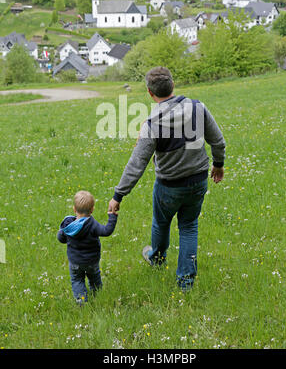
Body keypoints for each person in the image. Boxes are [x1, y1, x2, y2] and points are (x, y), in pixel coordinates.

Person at [108, 66, 225, 291]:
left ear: (150, 94)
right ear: (173, 85)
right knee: (189, 226)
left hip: (169, 186)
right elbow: (218, 141)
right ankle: (186, 282)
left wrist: (118, 195)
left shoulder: (152, 124)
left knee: (161, 223)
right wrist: (218, 165)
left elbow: (137, 164)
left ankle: (157, 258)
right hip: (199, 180)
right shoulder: (198, 108)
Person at [57, 190, 118, 304]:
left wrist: (62, 234)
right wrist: (112, 216)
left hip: (75, 261)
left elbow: (61, 239)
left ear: (74, 209)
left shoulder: (68, 226)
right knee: (94, 277)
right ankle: (97, 295)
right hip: (92, 261)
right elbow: (107, 231)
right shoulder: (92, 225)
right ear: (92, 209)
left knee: (77, 280)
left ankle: (81, 301)